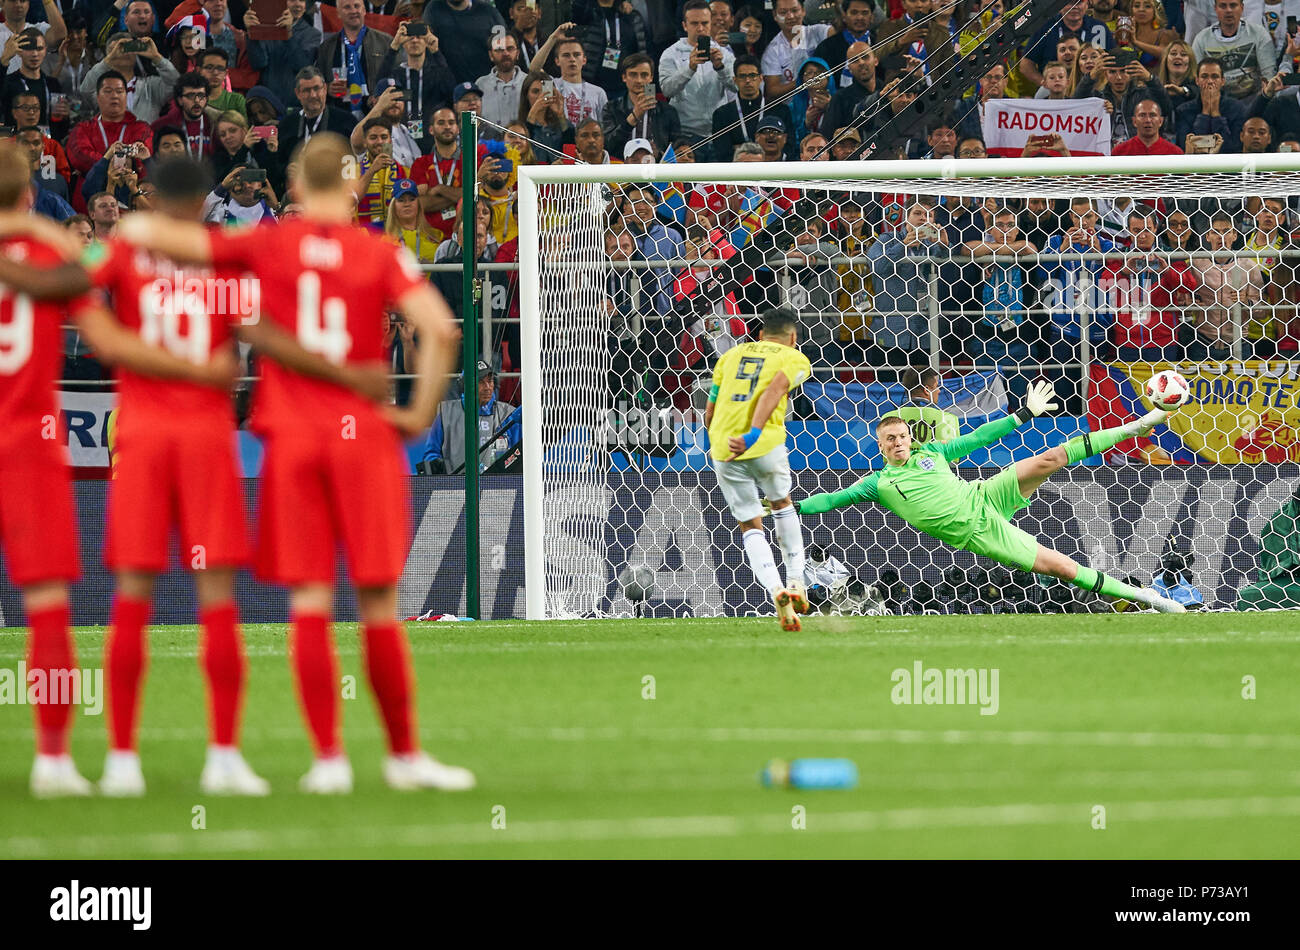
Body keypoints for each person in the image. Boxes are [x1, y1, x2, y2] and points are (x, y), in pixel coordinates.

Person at [116, 132, 473, 794]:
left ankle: (329, 761)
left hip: (293, 440)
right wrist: (418, 414)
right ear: (356, 187)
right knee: (379, 604)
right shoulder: (380, 251)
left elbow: (172, 238)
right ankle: (403, 756)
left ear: (300, 189)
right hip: (362, 438)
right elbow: (441, 328)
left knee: (310, 601)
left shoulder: (269, 242)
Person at [71, 156, 386, 796]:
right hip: (208, 440)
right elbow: (258, 332)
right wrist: (344, 372)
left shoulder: (127, 252)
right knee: (217, 602)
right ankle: (222, 755)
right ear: (205, 201)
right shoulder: (220, 262)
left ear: (155, 197)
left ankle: (122, 760)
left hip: (140, 435)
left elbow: (75, 292)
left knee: (132, 598)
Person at [790, 395, 1189, 613]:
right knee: (1063, 567)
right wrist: (791, 507)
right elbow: (831, 499)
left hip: (984, 494)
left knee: (1048, 459)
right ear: (879, 445)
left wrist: (1023, 415)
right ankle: (1152, 599)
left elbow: (980, 437)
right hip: (979, 530)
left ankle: (1139, 424)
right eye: (889, 439)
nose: (897, 442)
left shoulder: (933, 452)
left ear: (910, 438)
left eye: (902, 436)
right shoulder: (878, 483)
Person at [0, 146, 95, 797]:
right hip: (30, 442)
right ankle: (54, 759)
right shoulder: (53, 257)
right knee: (48, 608)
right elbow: (93, 266)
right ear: (31, 197)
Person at [705, 307, 811, 631]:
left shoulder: (730, 355)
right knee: (781, 504)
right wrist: (752, 433)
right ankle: (795, 583)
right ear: (793, 338)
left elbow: (709, 411)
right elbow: (775, 390)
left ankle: (775, 589)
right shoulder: (794, 358)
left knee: (750, 525)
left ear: (761, 334)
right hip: (762, 442)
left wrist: (722, 440)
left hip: (724, 446)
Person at [659, 0, 736, 156]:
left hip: (718, 134)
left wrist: (720, 68)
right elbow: (666, 90)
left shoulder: (724, 54)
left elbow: (738, 88)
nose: (700, 28)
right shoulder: (670, 54)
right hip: (685, 136)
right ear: (684, 25)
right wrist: (690, 68)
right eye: (694, 23)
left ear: (711, 23)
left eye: (705, 23)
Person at [420, 359, 520, 473]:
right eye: (481, 382)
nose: (487, 387)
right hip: (456, 487)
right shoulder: (446, 413)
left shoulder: (509, 414)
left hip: (502, 487)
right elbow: (431, 455)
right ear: (465, 386)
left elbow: (521, 454)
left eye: (490, 381)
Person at [66, 70, 155, 176]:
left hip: (132, 187)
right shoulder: (83, 129)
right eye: (108, 91)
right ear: (98, 97)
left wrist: (104, 161)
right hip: (92, 190)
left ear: (126, 96)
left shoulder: (142, 129)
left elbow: (143, 162)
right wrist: (119, 161)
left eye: (119, 91)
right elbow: (80, 158)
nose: (115, 96)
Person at [316, 0, 394, 118]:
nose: (353, 11)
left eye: (357, 6)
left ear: (364, 10)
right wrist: (327, 88)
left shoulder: (385, 42)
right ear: (338, 13)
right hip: (338, 116)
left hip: (376, 116)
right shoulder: (326, 47)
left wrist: (380, 95)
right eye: (347, 7)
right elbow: (317, 81)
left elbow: (396, 77)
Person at [1191, 0, 1276, 105]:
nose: (1228, 10)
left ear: (1242, 7)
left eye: (1233, 5)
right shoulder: (1201, 39)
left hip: (1254, 100)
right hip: (1216, 103)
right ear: (1215, 9)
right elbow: (1197, 79)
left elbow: (1269, 74)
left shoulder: (1259, 34)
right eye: (1223, 6)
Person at [245, 0, 325, 106]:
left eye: (301, 0)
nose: (297, 4)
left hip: (296, 106)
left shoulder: (312, 34)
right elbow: (258, 63)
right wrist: (252, 32)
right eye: (292, 0)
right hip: (268, 105)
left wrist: (287, 33)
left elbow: (302, 66)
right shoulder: (266, 28)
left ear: (305, 6)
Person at [602, 52, 679, 160]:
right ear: (624, 77)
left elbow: (677, 149)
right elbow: (607, 146)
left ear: (651, 77)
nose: (639, 80)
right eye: (633, 74)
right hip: (621, 168)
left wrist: (659, 154)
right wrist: (634, 117)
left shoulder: (668, 111)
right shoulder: (611, 108)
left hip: (656, 169)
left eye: (644, 75)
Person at [423, 0, 505, 86]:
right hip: (448, 88)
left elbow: (503, 48)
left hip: (485, 86)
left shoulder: (489, 12)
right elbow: (429, 49)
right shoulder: (434, 9)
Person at [761, 0, 831, 98]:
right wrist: (802, 81)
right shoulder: (772, 51)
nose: (790, 16)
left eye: (795, 10)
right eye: (783, 12)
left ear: (803, 11)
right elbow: (772, 90)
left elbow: (840, 32)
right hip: (791, 108)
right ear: (775, 15)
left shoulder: (818, 32)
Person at [1174, 58, 1246, 152]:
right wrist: (1205, 113)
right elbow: (1187, 148)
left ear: (1222, 81)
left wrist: (1216, 113)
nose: (1210, 81)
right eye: (1204, 76)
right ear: (1197, 81)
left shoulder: (1238, 108)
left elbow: (1232, 148)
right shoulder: (1183, 110)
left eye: (1215, 76)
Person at [893, 366, 958, 448]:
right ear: (926, 390)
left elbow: (886, 457)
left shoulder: (889, 418)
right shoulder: (948, 419)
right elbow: (953, 458)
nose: (939, 391)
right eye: (936, 386)